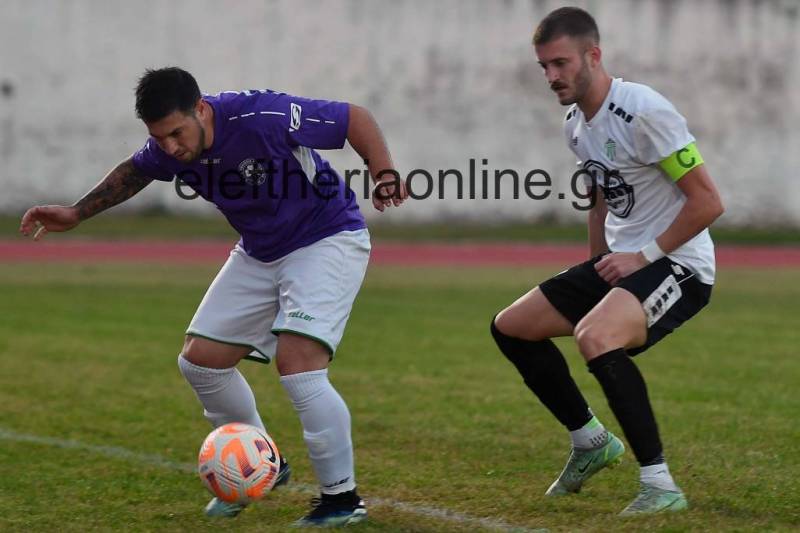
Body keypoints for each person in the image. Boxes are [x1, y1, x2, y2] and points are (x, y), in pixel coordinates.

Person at [19, 67, 407, 527]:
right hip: (261, 250)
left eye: (176, 133)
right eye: (159, 138)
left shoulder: (262, 115)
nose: (170, 148)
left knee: (299, 366)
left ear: (201, 109)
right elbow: (136, 171)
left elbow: (354, 119)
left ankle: (342, 500)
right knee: (200, 362)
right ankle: (263, 460)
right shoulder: (172, 147)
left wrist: (383, 173)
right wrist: (76, 213)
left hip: (326, 238)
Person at [491, 7, 724, 516]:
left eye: (561, 63)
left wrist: (642, 256)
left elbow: (708, 202)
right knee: (511, 327)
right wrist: (597, 265)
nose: (552, 77)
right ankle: (590, 441)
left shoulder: (644, 111)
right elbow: (600, 199)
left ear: (593, 56)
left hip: (679, 264)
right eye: (544, 67)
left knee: (595, 336)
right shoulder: (575, 125)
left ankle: (660, 485)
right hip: (624, 262)